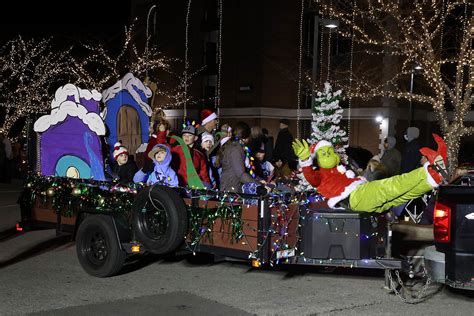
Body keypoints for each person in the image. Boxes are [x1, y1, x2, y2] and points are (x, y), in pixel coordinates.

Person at [292, 134, 447, 213]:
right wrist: (305, 161)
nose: (329, 155)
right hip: (355, 197)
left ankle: (433, 179)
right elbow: (311, 179)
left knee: (401, 196)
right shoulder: (320, 174)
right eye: (324, 153)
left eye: (330, 151)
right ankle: (431, 170)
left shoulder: (340, 169)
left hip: (361, 196)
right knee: (390, 186)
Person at [219, 121, 261, 192]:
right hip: (231, 190)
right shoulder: (235, 149)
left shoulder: (239, 147)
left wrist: (259, 180)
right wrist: (259, 185)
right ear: (245, 138)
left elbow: (248, 170)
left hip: (234, 188)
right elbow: (241, 175)